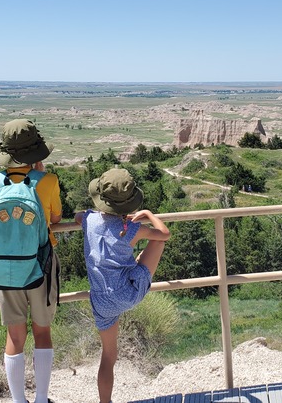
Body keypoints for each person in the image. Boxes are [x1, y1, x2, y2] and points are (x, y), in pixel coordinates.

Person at [74, 167, 171, 403]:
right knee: (156, 244)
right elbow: (164, 233)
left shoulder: (89, 220)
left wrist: (90, 214)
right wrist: (147, 213)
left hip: (101, 299)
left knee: (109, 355)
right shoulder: (131, 229)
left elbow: (78, 216)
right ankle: (137, 268)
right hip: (128, 293)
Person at [0, 119, 62, 403]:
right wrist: (40, 175)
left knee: (15, 335)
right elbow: (55, 219)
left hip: (4, 266)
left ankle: (18, 400)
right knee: (42, 331)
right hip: (41, 263)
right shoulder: (49, 181)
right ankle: (41, 399)